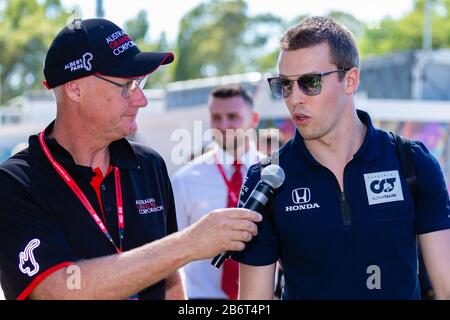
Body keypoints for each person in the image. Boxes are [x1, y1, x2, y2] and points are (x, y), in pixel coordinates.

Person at [0, 18, 262, 300]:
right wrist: (189, 243)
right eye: (127, 84)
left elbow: (170, 280)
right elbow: (58, 290)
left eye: (141, 83)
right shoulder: (16, 182)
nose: (141, 99)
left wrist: (179, 251)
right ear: (75, 88)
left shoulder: (148, 165)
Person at [234, 16, 450, 300]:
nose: (294, 98)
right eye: (285, 85)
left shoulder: (412, 162)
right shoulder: (266, 180)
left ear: (350, 80)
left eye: (309, 82)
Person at [171, 84, 264, 299]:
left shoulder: (274, 173)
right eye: (216, 117)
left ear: (254, 119)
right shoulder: (185, 180)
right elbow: (171, 248)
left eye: (233, 116)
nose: (224, 125)